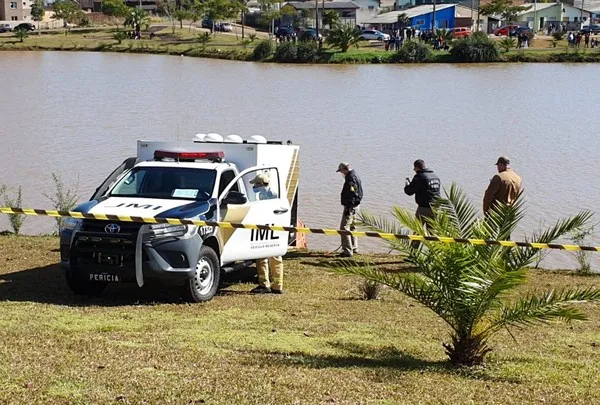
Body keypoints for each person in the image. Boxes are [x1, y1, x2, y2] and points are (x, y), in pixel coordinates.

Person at [248, 172, 284, 294]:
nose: (255, 187)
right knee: (265, 255)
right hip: (267, 228)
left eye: (256, 184)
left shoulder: (273, 194)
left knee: (271, 255)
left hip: (271, 228)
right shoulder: (264, 194)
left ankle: (272, 285)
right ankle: (269, 285)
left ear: (261, 184)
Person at [337, 162, 363, 258]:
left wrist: (348, 207)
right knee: (352, 227)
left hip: (350, 206)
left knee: (344, 228)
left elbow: (353, 193)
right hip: (355, 205)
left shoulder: (350, 178)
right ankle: (354, 247)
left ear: (344, 169)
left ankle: (347, 251)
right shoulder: (355, 175)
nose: (341, 173)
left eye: (341, 171)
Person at [404, 160, 441, 226]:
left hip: (424, 208)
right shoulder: (435, 176)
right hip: (436, 208)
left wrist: (407, 185)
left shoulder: (419, 176)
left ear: (417, 168)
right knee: (431, 233)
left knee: (417, 231)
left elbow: (409, 192)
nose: (414, 170)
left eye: (414, 169)